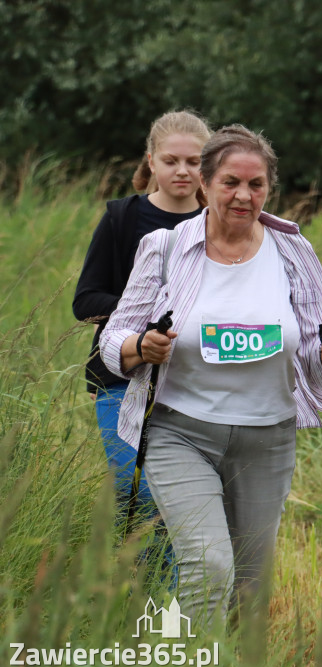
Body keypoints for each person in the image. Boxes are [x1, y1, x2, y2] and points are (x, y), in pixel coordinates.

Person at [98, 124, 322, 626]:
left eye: (256, 184)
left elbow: (320, 352)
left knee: (247, 589)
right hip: (179, 432)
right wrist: (143, 345)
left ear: (269, 188)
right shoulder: (164, 248)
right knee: (209, 566)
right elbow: (112, 342)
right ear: (205, 183)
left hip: (267, 438)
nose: (244, 195)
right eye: (230, 182)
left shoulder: (292, 251)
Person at [73, 110, 212, 518]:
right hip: (120, 375)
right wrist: (144, 315)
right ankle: (136, 578)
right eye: (171, 161)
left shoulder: (217, 222)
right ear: (151, 161)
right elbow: (86, 301)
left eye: (194, 161)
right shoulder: (122, 217)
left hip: (191, 380)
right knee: (137, 492)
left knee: (182, 501)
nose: (182, 171)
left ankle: (174, 583)